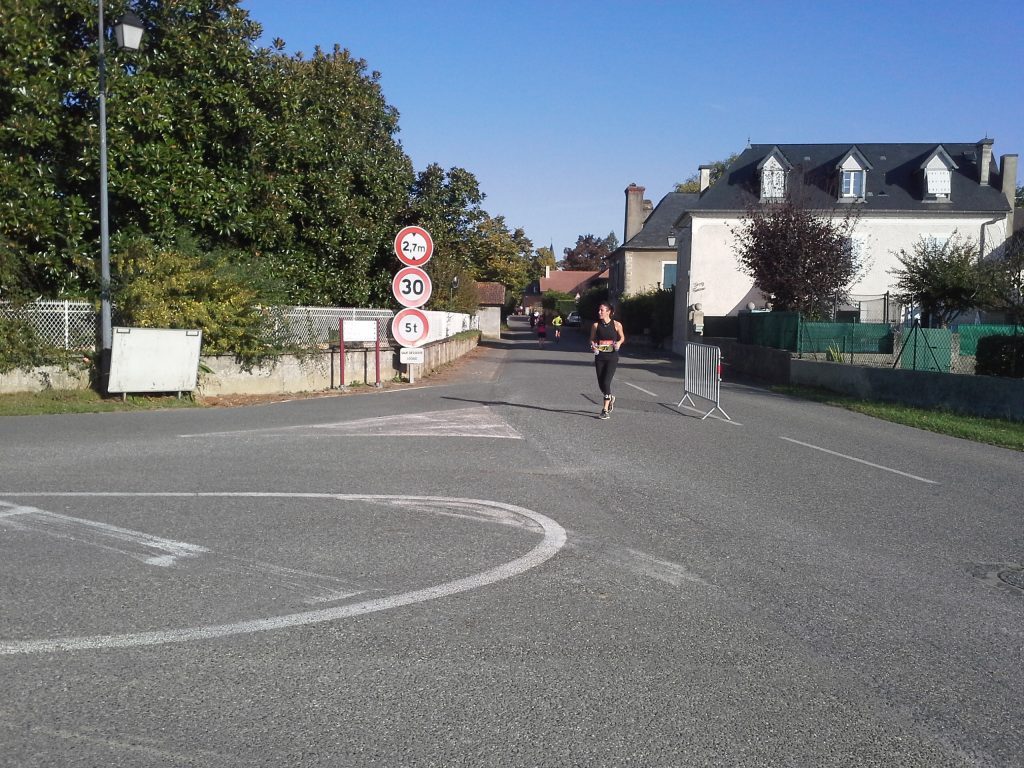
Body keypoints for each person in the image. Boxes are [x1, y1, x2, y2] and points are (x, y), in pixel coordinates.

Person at [589, 302, 625, 419]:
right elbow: (592, 339)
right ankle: (610, 397)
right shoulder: (595, 325)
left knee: (606, 382)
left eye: (602, 310)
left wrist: (619, 343)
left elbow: (622, 337)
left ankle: (605, 410)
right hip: (600, 357)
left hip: (612, 357)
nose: (599, 312)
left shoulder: (617, 325)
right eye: (599, 310)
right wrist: (593, 345)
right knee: (601, 385)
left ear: (608, 312)